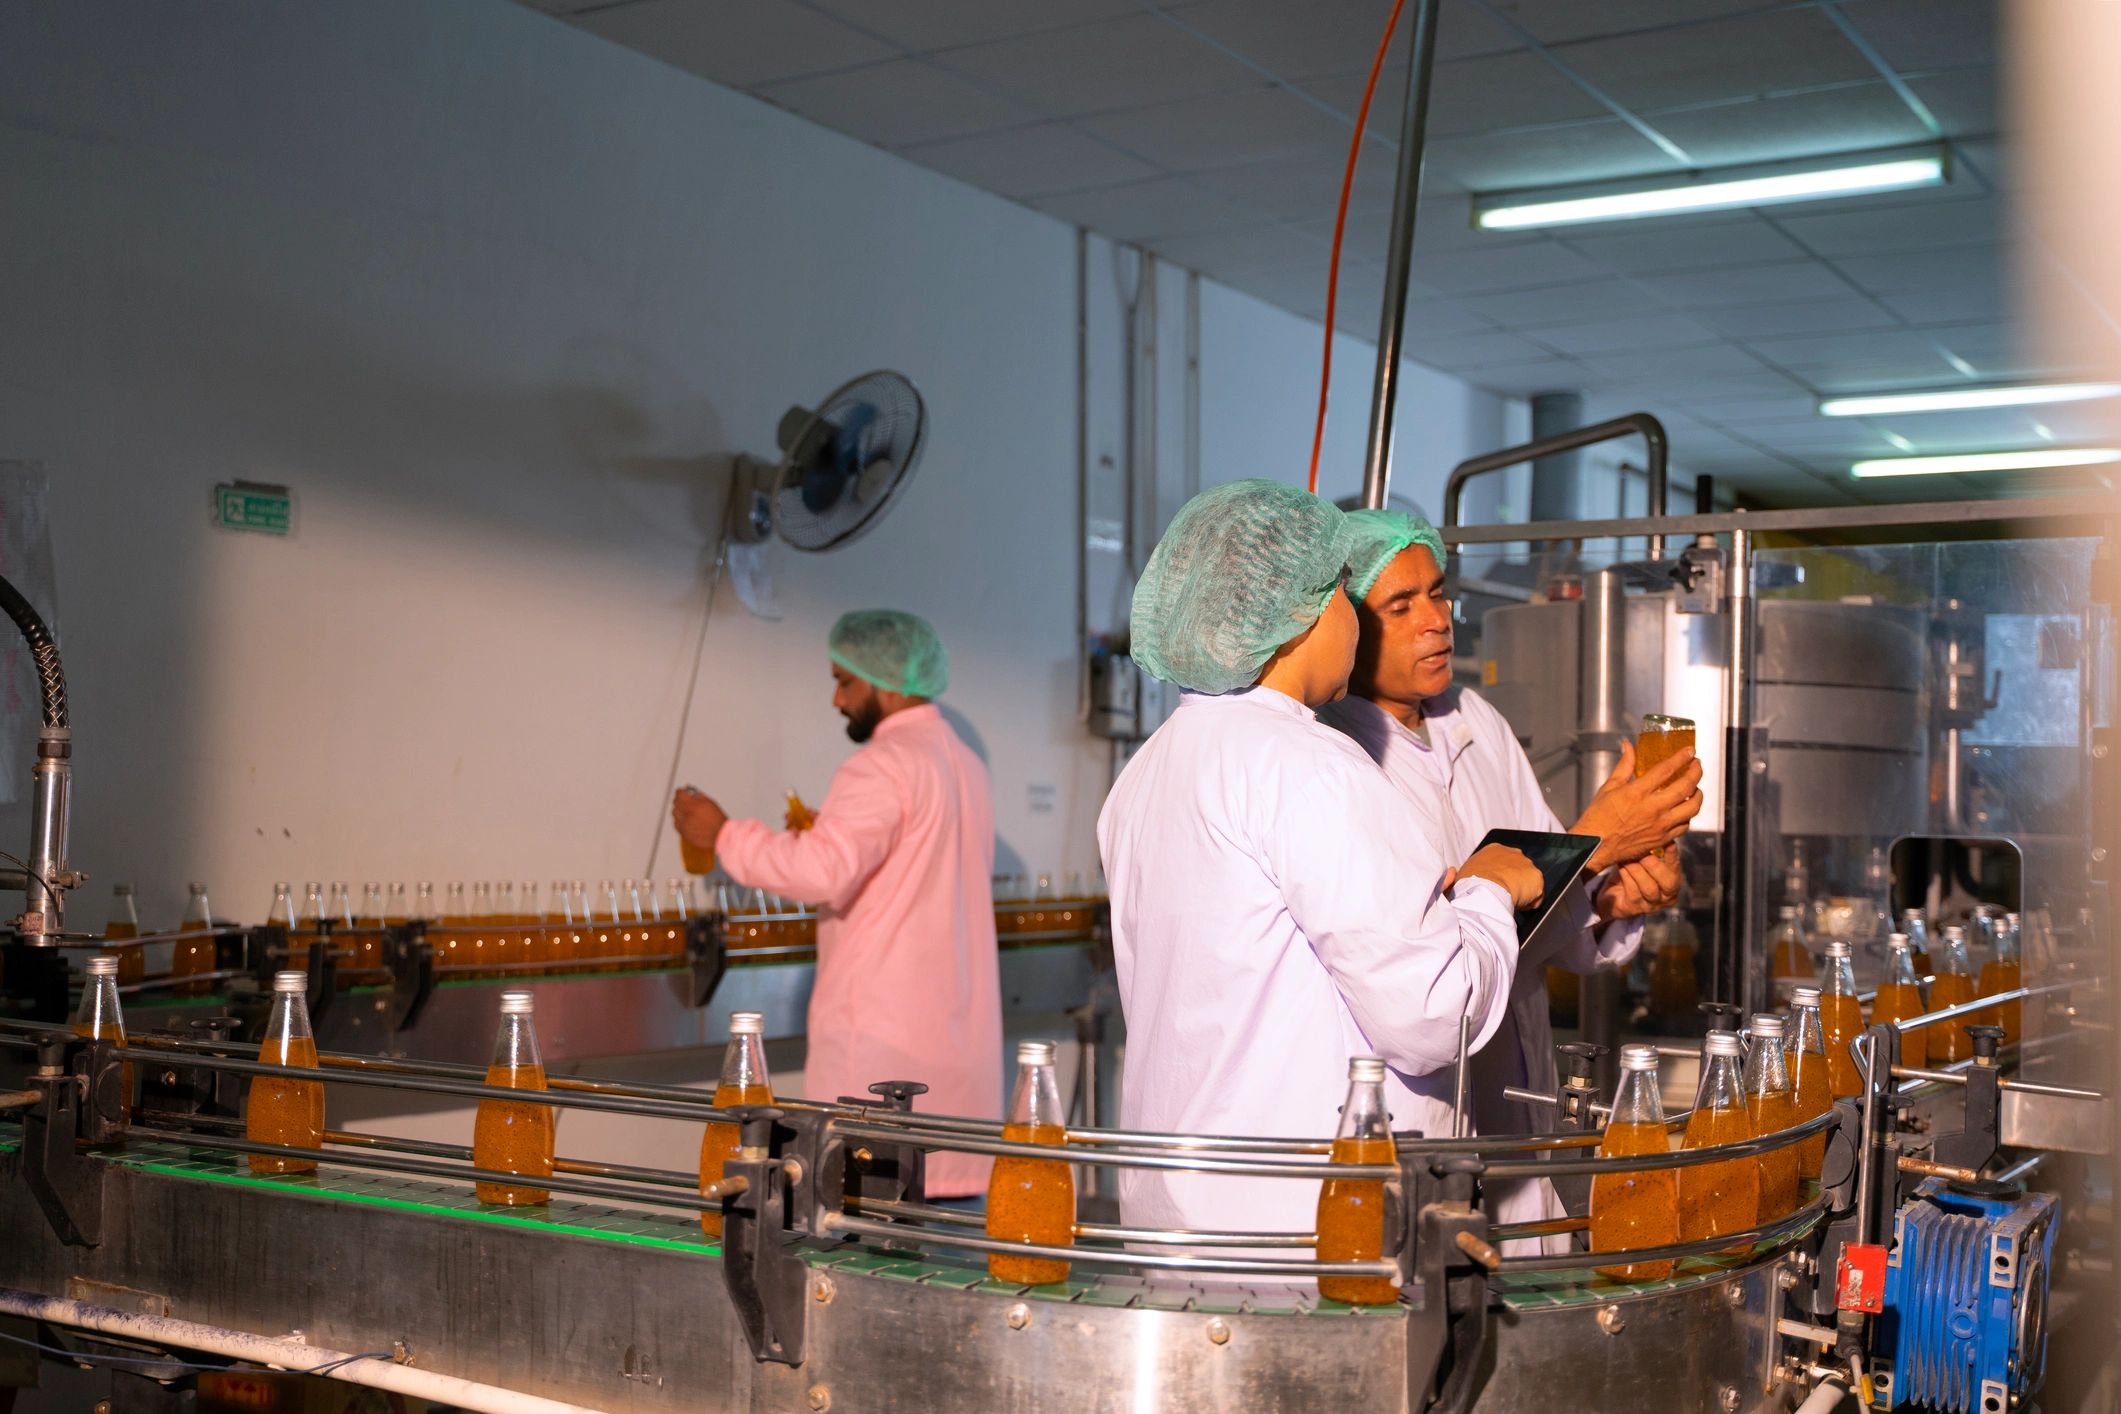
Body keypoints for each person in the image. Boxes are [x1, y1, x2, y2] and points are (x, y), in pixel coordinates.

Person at [1098, 478, 1543, 1238]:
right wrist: (1488, 892)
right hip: (1306, 1223)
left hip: (1181, 1208)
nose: (1352, 620)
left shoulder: (1148, 770)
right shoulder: (1309, 765)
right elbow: (1432, 1015)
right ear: (1296, 613)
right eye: (1343, 594)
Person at [1316, 509, 1702, 1246]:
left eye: (1438, 593)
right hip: (1415, 1109)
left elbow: (1539, 903)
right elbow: (1439, 942)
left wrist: (1607, 896)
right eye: (1401, 607)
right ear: (1343, 621)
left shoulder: (1475, 720)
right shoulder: (1335, 759)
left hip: (1519, 1093)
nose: (1437, 621)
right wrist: (1595, 841)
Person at [671, 609, 1001, 1199]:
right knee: (950, 1267)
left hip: (883, 1058)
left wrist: (723, 834)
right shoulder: (965, 765)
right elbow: (898, 866)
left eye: (845, 681)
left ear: (890, 681)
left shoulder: (881, 763)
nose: (836, 699)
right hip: (956, 1064)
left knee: (872, 1261)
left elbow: (822, 873)